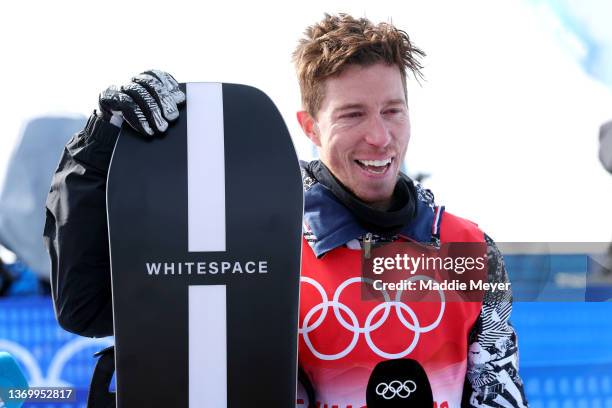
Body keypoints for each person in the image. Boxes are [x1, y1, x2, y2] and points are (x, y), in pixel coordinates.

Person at [44, 14, 528, 407]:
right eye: (352, 114)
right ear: (310, 127)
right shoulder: (248, 242)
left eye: (393, 110)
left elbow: (499, 392)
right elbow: (85, 309)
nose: (379, 136)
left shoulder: (465, 249)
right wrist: (97, 148)